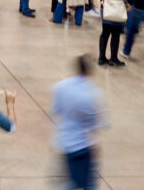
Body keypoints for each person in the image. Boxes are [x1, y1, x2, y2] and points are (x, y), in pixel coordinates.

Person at [52, 56, 107, 190]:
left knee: (73, 181)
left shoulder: (61, 87)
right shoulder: (93, 93)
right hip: (84, 146)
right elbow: (98, 124)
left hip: (65, 143)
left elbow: (56, 110)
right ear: (90, 72)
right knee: (89, 185)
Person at [97, 0, 126, 67]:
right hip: (117, 9)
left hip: (105, 8)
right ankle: (113, 58)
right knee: (115, 34)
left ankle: (101, 57)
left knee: (105, 33)